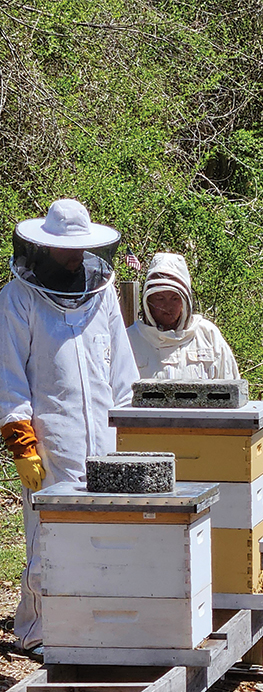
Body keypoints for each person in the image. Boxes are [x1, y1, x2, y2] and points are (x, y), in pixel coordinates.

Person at [0, 199, 139, 654]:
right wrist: (22, 443)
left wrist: (134, 431)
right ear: (42, 248)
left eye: (79, 249)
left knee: (106, 536)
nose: (75, 257)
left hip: (106, 437)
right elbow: (8, 376)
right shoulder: (17, 298)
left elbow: (122, 370)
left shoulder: (103, 294)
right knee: (49, 534)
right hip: (51, 438)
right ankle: (39, 628)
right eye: (65, 250)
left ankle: (97, 623)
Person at [126, 252, 240, 380]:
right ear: (148, 301)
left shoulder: (208, 335)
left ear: (185, 301)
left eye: (175, 298)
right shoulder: (129, 340)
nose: (167, 306)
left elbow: (232, 389)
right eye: (160, 298)